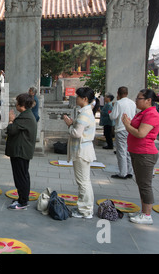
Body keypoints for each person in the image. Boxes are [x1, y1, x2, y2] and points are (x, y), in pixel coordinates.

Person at [122, 89, 159, 225]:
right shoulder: (143, 113)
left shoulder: (151, 114)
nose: (136, 101)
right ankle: (143, 211)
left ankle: (147, 215)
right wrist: (128, 123)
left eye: (139, 98)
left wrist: (127, 125)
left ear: (148, 100)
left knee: (145, 185)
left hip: (145, 154)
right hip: (137, 152)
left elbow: (140, 134)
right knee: (141, 184)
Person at [63, 87, 96, 219]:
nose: (76, 98)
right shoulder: (86, 112)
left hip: (82, 151)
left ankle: (85, 210)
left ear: (85, 99)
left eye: (78, 96)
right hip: (84, 149)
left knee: (83, 182)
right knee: (85, 181)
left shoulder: (84, 114)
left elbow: (76, 133)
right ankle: (86, 207)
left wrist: (69, 125)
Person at [5, 93, 37, 210]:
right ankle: (22, 198)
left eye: (17, 102)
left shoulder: (25, 117)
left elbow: (12, 130)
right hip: (22, 151)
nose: (15, 104)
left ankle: (23, 202)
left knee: (21, 177)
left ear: (21, 105)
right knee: (23, 175)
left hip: (20, 152)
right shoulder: (27, 115)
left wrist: (10, 121)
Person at [109, 86, 137, 179]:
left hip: (121, 128)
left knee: (121, 151)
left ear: (118, 93)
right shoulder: (132, 103)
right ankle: (130, 171)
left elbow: (113, 116)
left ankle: (122, 172)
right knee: (128, 151)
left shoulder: (118, 103)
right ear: (127, 93)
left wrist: (110, 112)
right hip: (130, 129)